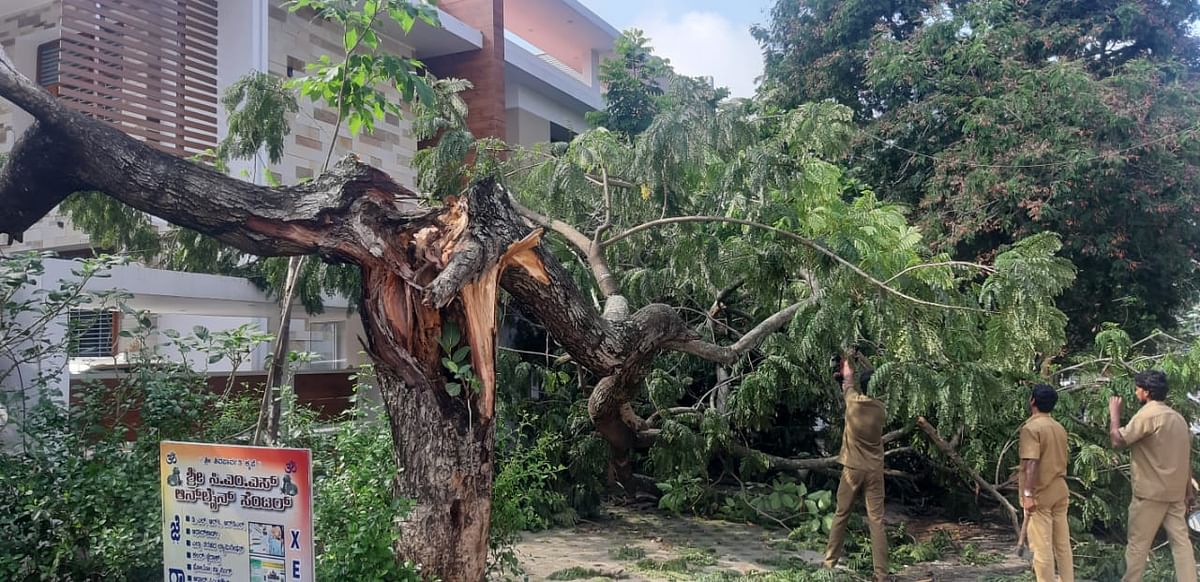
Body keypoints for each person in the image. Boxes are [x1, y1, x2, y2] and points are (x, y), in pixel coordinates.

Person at [1108, 370, 1196, 582]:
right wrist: (1189, 491)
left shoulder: (1148, 415)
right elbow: (1185, 458)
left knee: (1138, 545)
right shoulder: (1178, 419)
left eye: (1138, 388)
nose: (1136, 392)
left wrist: (1114, 414)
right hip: (1174, 494)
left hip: (1149, 494)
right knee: (1181, 544)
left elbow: (1118, 441)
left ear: (1146, 392)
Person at [824, 350, 889, 582]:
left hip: (852, 468)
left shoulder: (853, 401)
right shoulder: (880, 409)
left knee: (841, 514)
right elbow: (874, 381)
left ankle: (829, 563)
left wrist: (847, 358)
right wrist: (863, 358)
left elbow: (848, 380)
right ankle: (881, 575)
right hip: (874, 471)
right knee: (877, 521)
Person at [1019, 384, 1074, 582]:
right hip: (1060, 489)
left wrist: (1027, 494)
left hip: (1040, 493)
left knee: (1041, 547)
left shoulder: (1031, 428)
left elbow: (1032, 462)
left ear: (1032, 401)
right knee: (1062, 545)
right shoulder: (1059, 428)